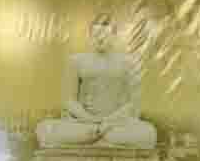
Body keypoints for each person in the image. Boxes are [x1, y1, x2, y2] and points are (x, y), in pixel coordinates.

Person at [34, 14, 157, 149]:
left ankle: (95, 138)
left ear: (114, 36)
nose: (100, 38)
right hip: (84, 123)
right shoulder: (76, 61)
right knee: (46, 129)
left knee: (148, 132)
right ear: (90, 36)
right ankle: (102, 139)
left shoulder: (128, 62)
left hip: (116, 124)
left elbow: (132, 103)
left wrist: (108, 122)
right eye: (96, 34)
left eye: (105, 34)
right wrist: (91, 119)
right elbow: (69, 100)